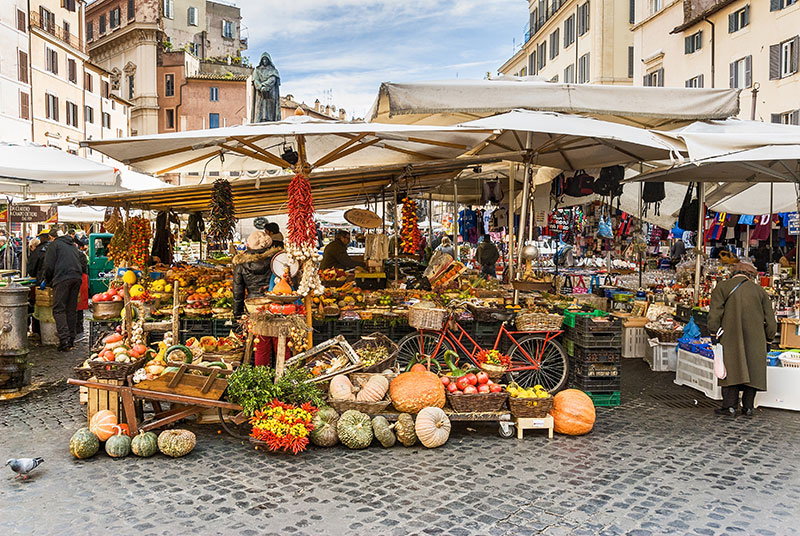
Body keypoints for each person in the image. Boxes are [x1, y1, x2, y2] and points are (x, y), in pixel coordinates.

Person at [707, 261, 777, 417]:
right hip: (757, 338)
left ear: (732, 273)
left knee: (731, 368)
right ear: (751, 276)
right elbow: (771, 322)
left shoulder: (722, 287)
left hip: (730, 336)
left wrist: (713, 333)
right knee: (753, 370)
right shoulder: (760, 291)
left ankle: (729, 407)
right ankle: (748, 407)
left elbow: (714, 315)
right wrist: (768, 340)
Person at [232, 231, 281, 367]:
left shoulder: (241, 264)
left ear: (249, 245)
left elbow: (238, 292)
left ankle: (262, 376)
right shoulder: (277, 258)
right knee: (280, 341)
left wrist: (237, 315)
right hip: (277, 305)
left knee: (260, 344)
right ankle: (284, 376)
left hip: (254, 307)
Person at [42, 229, 87, 351]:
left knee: (59, 309)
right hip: (76, 277)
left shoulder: (54, 245)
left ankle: (64, 341)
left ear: (52, 237)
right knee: (71, 309)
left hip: (62, 278)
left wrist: (47, 280)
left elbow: (49, 265)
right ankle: (71, 339)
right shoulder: (71, 245)